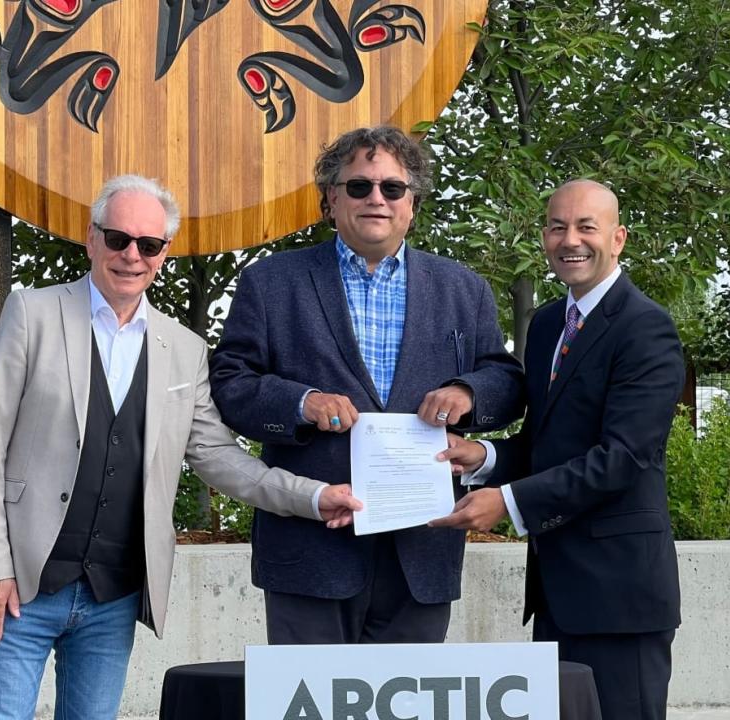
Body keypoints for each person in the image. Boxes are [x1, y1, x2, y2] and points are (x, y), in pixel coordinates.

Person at [0, 175, 362, 719]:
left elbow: (220, 458)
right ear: (92, 238)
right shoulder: (31, 314)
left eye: (148, 244)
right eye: (118, 238)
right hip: (19, 590)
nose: (131, 256)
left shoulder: (184, 349)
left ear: (164, 254)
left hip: (113, 597)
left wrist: (313, 497)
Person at [209, 126, 524, 645]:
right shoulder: (270, 283)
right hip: (311, 548)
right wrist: (302, 403)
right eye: (359, 186)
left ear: (412, 203)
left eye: (392, 188)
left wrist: (469, 393)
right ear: (331, 199)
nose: (376, 198)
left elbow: (505, 379)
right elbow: (230, 383)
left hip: (422, 550)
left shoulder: (463, 287)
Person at [432, 179, 684, 720]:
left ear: (617, 238)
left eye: (586, 227)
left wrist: (509, 503)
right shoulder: (548, 324)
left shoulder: (646, 328)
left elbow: (622, 457)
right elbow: (548, 442)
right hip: (557, 595)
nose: (570, 239)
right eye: (557, 226)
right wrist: (485, 459)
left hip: (621, 599)